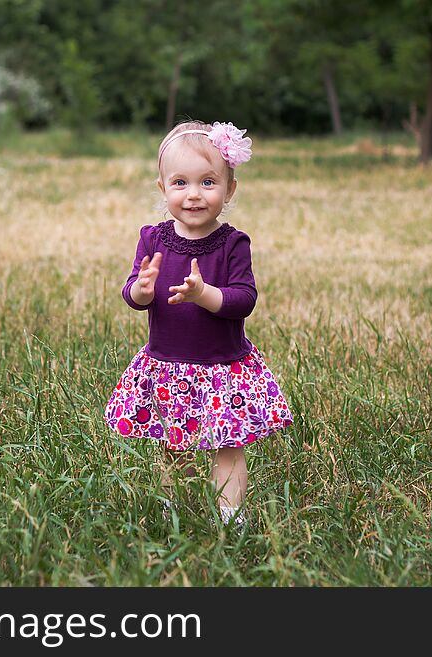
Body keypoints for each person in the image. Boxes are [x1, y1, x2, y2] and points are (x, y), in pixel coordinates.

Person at [104, 119, 293, 527]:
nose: (193, 195)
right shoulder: (153, 239)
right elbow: (132, 294)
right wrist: (141, 289)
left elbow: (244, 300)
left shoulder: (232, 243)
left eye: (208, 182)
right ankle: (178, 508)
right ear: (163, 188)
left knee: (228, 446)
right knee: (174, 444)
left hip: (223, 367)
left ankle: (230, 516)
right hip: (168, 364)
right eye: (180, 183)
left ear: (229, 189)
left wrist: (202, 293)